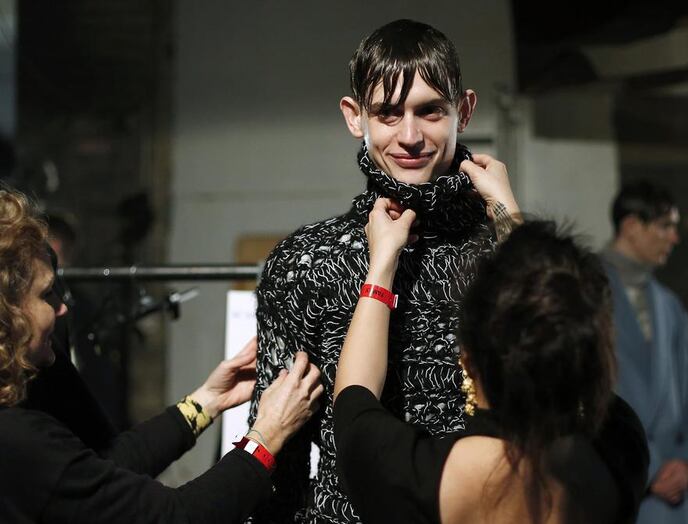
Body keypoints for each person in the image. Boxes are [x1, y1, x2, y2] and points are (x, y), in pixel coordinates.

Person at [249, 19, 500, 523]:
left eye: (430, 111)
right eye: (388, 113)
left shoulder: (505, 256)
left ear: (464, 111)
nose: (410, 136)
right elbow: (281, 457)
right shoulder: (310, 261)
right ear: (355, 117)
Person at [332, 156, 649, 523]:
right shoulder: (619, 447)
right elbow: (557, 331)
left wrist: (382, 264)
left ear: (467, 359)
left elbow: (353, 400)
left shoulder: (415, 473)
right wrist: (505, 211)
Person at [0, 187, 324, 523]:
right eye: (46, 294)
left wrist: (207, 401)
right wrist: (266, 436)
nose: (62, 307)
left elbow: (102, 467)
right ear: (9, 314)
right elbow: (175, 517)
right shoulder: (17, 438)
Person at [599, 181, 688, 524]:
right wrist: (649, 468)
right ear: (632, 225)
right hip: (614, 487)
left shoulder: (669, 305)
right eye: (665, 226)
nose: (674, 238)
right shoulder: (581, 291)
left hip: (674, 498)